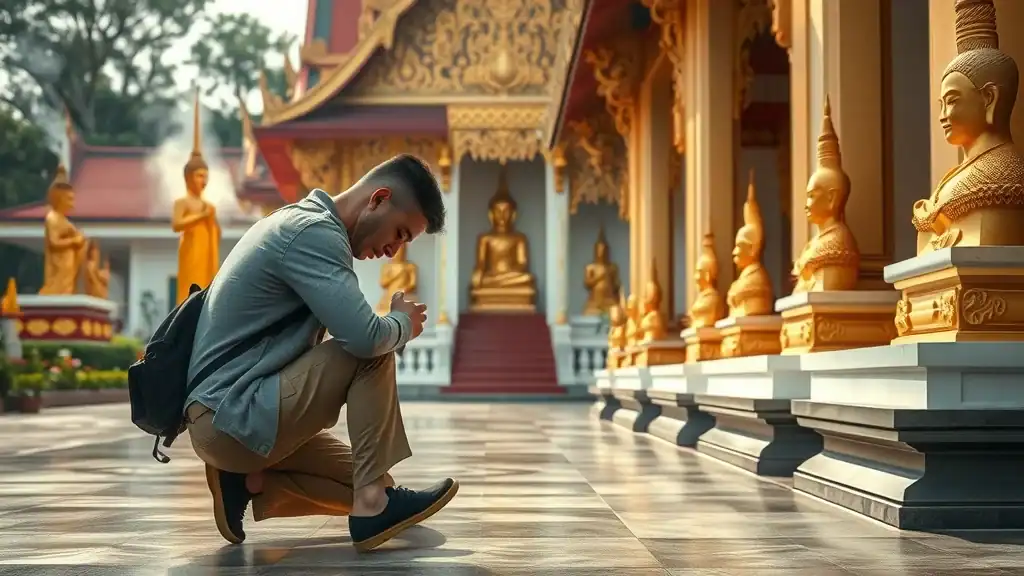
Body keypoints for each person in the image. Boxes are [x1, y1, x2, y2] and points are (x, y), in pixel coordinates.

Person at [182, 154, 456, 552]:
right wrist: (403, 325)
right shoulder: (314, 233)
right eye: (399, 233)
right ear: (378, 199)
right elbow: (364, 338)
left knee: (376, 479)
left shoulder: (301, 221)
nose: (394, 251)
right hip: (231, 415)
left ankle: (247, 480)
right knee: (374, 347)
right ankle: (370, 505)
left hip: (224, 422)